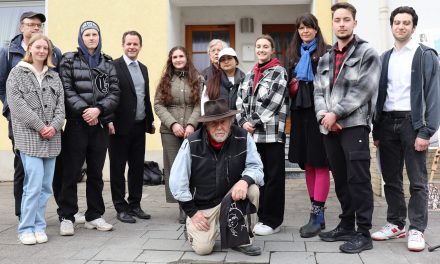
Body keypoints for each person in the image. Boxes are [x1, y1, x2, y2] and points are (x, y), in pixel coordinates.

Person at [371, 6, 440, 252]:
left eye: (406, 23)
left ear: (413, 27)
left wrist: (427, 131)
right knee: (391, 178)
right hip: (388, 123)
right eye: (397, 22)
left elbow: (433, 96)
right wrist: (376, 129)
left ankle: (417, 229)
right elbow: (379, 95)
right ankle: (395, 223)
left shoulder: (425, 55)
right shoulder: (384, 57)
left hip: (414, 124)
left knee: (418, 181)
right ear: (392, 26)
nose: (401, 26)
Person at [313, 2, 380, 253]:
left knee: (358, 180)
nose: (341, 23)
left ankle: (364, 233)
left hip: (354, 126)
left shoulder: (367, 53)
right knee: (340, 179)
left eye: (346, 19)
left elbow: (364, 90)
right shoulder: (326, 58)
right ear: (332, 23)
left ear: (354, 22)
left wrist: (335, 113)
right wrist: (324, 116)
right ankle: (346, 225)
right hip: (329, 128)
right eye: (337, 20)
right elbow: (318, 91)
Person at [169, 98, 264, 256]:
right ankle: (191, 227)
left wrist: (244, 181)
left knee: (252, 189)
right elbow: (177, 182)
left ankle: (240, 238)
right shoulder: (191, 143)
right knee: (203, 249)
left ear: (230, 121)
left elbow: (256, 167)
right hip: (203, 205)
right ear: (206, 125)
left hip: (231, 198)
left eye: (224, 122)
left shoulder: (243, 137)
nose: (220, 127)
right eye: (214, 123)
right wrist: (192, 212)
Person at [57, 21, 119, 236]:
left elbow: (114, 92)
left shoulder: (107, 62)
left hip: (99, 125)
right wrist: (86, 111)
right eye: (87, 34)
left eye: (95, 34)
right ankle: (67, 215)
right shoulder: (69, 60)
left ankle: (94, 215)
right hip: (76, 125)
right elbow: (66, 89)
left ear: (99, 37)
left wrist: (99, 111)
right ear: (81, 38)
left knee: (96, 173)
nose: (91, 38)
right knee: (71, 172)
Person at [0, 11, 62, 220]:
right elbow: (4, 87)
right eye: (32, 24)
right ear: (22, 27)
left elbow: (58, 93)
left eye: (39, 25)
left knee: (43, 179)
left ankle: (37, 217)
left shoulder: (54, 54)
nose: (36, 28)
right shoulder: (8, 53)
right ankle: (23, 215)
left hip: (50, 128)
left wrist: (53, 125)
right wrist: (11, 111)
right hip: (20, 124)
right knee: (23, 171)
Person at [6, 34, 65, 245]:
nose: (42, 51)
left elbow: (61, 107)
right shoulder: (17, 73)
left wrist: (54, 126)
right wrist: (41, 127)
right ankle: (26, 227)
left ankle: (39, 226)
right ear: (30, 48)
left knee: (46, 186)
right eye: (38, 47)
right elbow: (17, 106)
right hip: (29, 138)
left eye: (45, 48)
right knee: (33, 184)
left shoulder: (54, 76)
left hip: (52, 139)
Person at [236, 34, 289, 236]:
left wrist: (253, 121)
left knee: (274, 178)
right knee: (260, 177)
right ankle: (261, 217)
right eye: (258, 46)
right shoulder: (250, 74)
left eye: (265, 46)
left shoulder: (279, 72)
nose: (261, 50)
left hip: (272, 134)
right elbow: (239, 100)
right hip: (252, 137)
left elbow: (274, 102)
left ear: (272, 50)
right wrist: (242, 122)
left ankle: (273, 221)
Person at [286, 13, 330, 238]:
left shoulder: (326, 52)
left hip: (319, 114)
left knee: (320, 163)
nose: (305, 31)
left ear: (316, 29)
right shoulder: (293, 54)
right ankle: (317, 214)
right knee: (308, 164)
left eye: (309, 27)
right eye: (301, 28)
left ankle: (317, 215)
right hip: (299, 115)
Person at [109, 31, 155, 223]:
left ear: (140, 46)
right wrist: (108, 119)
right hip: (118, 128)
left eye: (135, 44)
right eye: (128, 44)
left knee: (136, 168)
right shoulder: (113, 66)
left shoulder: (143, 68)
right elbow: (108, 95)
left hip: (138, 126)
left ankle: (135, 205)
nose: (132, 47)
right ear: (123, 45)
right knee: (118, 169)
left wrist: (149, 120)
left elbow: (144, 95)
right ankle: (121, 208)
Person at [154, 46, 202, 223]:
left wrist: (191, 124)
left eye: (181, 56)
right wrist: (173, 124)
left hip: (192, 132)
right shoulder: (165, 80)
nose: (178, 59)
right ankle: (183, 207)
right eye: (175, 57)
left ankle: (194, 204)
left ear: (186, 58)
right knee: (176, 170)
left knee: (193, 169)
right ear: (171, 60)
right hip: (170, 132)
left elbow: (199, 105)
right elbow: (158, 105)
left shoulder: (197, 79)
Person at [201, 47, 245, 115]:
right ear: (219, 64)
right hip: (218, 122)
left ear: (236, 61)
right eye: (222, 59)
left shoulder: (245, 81)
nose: (226, 61)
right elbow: (205, 103)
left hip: (240, 123)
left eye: (229, 58)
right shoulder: (211, 82)